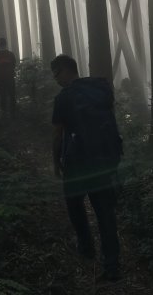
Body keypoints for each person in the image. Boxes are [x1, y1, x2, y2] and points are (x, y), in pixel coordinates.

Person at [51, 54, 122, 282]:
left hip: (77, 162)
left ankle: (86, 246)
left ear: (67, 70)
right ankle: (112, 264)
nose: (56, 79)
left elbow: (57, 134)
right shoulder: (98, 89)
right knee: (105, 213)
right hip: (103, 159)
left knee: (74, 203)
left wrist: (56, 160)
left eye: (57, 73)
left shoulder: (64, 98)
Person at [0, 37, 17, 116]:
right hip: (10, 77)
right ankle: (13, 112)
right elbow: (14, 65)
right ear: (6, 44)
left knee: (2, 95)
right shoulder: (11, 54)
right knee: (12, 95)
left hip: (0, 78)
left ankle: (4, 113)